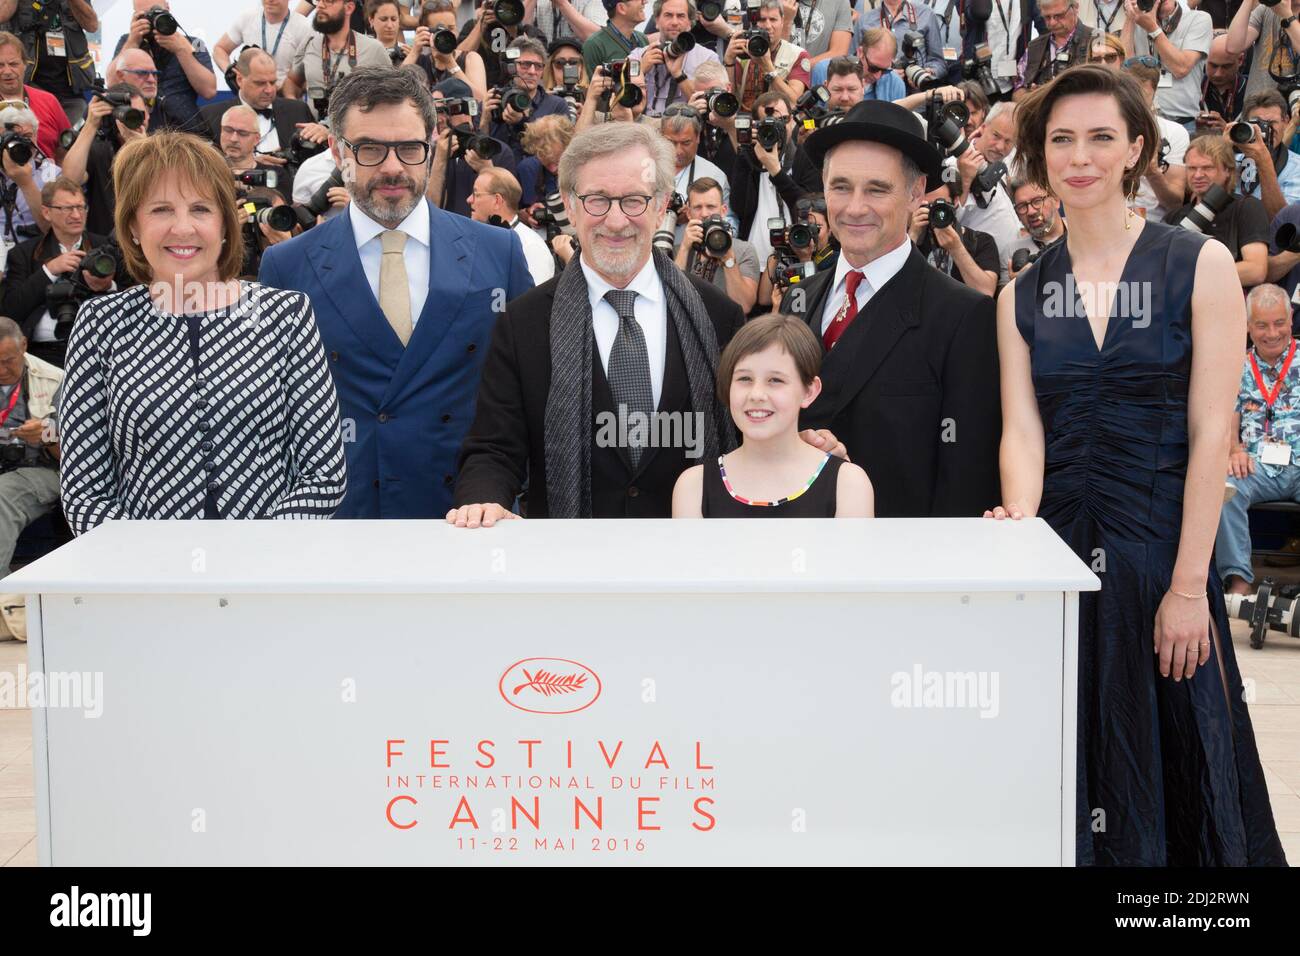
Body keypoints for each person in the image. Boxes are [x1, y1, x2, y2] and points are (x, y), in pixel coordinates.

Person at [988, 63, 1285, 866]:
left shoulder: (1199, 266)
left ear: (1137, 150)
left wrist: (1192, 586)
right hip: (1062, 564)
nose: (1079, 157)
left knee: (1178, 780)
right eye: (1060, 141)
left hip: (1163, 563)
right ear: (1039, 157)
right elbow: (1023, 433)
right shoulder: (1020, 294)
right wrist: (1021, 526)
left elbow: (1209, 433)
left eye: (1100, 139)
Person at [448, 121, 763, 526]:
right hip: (570, 567)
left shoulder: (719, 316)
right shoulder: (523, 322)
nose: (616, 222)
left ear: (663, 203)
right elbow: (494, 447)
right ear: (569, 203)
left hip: (691, 561)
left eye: (634, 200)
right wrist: (484, 500)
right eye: (597, 200)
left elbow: (747, 437)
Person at [260, 67, 532, 518]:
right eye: (369, 149)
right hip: (342, 526)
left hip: (468, 518)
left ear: (429, 147)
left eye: (408, 148)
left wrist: (506, 493)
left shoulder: (497, 251)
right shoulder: (287, 266)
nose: (391, 168)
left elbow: (523, 395)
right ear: (336, 150)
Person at [59, 131, 347, 531]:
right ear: (133, 227)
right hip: (144, 580)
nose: (183, 228)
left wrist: (254, 556)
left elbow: (323, 475)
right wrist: (151, 567)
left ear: (225, 224)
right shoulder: (100, 325)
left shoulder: (286, 316)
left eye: (200, 209)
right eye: (160, 210)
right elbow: (84, 492)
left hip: (266, 573)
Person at [779, 98, 1001, 516]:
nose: (855, 207)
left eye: (877, 189)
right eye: (841, 187)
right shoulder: (798, 299)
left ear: (917, 192)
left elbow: (967, 475)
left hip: (902, 564)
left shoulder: (962, 316)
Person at [672, 312, 872, 516]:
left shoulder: (848, 484)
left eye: (775, 380)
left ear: (809, 391)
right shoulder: (693, 487)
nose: (756, 394)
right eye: (744, 379)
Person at [1217, 283, 1300, 595]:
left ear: (1291, 319)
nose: (1272, 333)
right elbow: (1226, 419)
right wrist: (1234, 449)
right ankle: (1239, 581)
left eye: (1279, 323)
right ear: (1248, 325)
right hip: (1255, 467)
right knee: (1223, 487)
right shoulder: (1236, 365)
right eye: (1262, 325)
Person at [0, 177, 120, 368]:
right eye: (66, 208)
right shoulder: (23, 254)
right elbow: (11, 310)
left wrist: (108, 286)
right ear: (47, 212)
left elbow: (134, 296)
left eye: (81, 207)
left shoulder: (107, 248)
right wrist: (49, 270)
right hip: (42, 353)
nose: (76, 215)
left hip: (98, 349)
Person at [199, 48, 321, 184]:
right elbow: (200, 167)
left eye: (273, 82)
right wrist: (249, 165)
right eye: (260, 83)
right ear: (239, 79)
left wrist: (325, 135)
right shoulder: (210, 116)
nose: (269, 90)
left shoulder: (297, 110)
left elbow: (318, 161)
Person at [0, 315, 62, 576]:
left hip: (43, 468)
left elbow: (77, 456)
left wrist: (47, 435)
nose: (1, 370)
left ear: (24, 345)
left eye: (8, 361)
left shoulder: (56, 379)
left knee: (2, 495)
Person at [1165, 135, 1269, 290]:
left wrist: (1192, 275)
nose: (1198, 175)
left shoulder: (1246, 207)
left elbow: (1256, 270)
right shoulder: (1174, 217)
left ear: (1228, 170)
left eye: (1207, 168)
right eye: (1192, 168)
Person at [112, 0, 218, 135]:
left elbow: (209, 91)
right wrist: (133, 41)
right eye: (144, 15)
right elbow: (112, 83)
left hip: (187, 131)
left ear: (168, 9)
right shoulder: (128, 40)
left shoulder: (195, 43)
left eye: (156, 12)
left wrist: (181, 50)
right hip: (142, 129)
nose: (151, 19)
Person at [57, 83, 149, 238]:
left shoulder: (161, 147)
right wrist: (91, 125)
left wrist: (142, 148)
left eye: (139, 114)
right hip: (107, 243)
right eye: (127, 113)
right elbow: (70, 180)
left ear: (148, 115)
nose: (133, 119)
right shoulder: (99, 149)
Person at [282, 0, 393, 120]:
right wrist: (297, 109)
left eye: (328, 1)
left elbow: (390, 99)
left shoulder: (373, 49)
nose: (320, 5)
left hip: (352, 134)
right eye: (318, 1)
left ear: (349, 8)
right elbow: (292, 82)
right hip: (312, 132)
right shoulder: (309, 43)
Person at [427, 76, 516, 217]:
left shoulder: (497, 150)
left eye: (441, 111)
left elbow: (507, 211)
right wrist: (439, 160)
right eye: (433, 112)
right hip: (447, 233)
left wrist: (487, 170)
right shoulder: (431, 153)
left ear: (460, 108)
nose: (437, 119)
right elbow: (430, 210)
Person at [1122, 0, 1212, 137]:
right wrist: (1130, 17)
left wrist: (1153, 29)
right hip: (1141, 119)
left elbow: (1181, 68)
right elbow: (1124, 68)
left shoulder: (1198, 19)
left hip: (1181, 122)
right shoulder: (1139, 22)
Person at [0, 0, 97, 124]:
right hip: (30, 88)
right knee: (32, 136)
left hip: (71, 91)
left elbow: (92, 25)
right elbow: (2, 14)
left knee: (68, 139)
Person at [675, 175, 759, 312]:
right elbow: (668, 298)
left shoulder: (744, 250)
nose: (704, 213)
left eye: (711, 206)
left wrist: (728, 259)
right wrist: (684, 249)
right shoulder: (677, 250)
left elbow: (744, 306)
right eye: (697, 207)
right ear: (689, 213)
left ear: (723, 211)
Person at [486, 36, 571, 164]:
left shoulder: (557, 105)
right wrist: (484, 120)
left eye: (538, 66)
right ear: (511, 67)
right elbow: (481, 147)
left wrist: (522, 122)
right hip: (498, 175)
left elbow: (558, 152)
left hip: (537, 179)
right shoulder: (495, 100)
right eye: (525, 65)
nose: (532, 71)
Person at [627, 0, 720, 116]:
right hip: (645, 128)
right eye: (668, 15)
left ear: (689, 23)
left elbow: (709, 105)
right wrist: (641, 70)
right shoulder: (637, 56)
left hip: (686, 128)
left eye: (681, 16)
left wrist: (679, 74)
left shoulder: (707, 58)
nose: (674, 22)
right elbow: (620, 99)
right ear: (656, 21)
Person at [908, 179, 1000, 297]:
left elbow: (986, 292)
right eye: (928, 206)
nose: (935, 213)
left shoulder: (981, 240)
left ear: (956, 202)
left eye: (940, 206)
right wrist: (912, 237)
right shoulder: (911, 239)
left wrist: (956, 248)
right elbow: (892, 288)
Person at [468, 166, 556, 284]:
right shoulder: (477, 241)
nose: (469, 200)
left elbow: (533, 300)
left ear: (497, 200)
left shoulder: (530, 246)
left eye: (476, 194)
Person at [1123, 60, 1186, 223]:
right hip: (1110, 222)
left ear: (1155, 90)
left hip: (1156, 225)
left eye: (1142, 94)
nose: (1136, 101)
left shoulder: (1175, 132)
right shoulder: (1105, 129)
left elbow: (1175, 203)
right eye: (1130, 93)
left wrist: (1152, 172)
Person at [718, 0, 808, 112]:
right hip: (745, 122)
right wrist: (729, 61)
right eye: (762, 20)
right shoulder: (742, 50)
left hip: (780, 122)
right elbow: (727, 103)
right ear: (752, 23)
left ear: (782, 21)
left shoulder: (797, 55)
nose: (768, 26)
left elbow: (794, 102)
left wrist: (768, 67)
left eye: (773, 19)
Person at [0, 31, 68, 161]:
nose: (7, 71)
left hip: (48, 179)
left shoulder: (49, 101)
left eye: (13, 64)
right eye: (0, 65)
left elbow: (66, 151)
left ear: (25, 65)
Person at [213, 0, 316, 85]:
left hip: (284, 99)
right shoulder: (247, 18)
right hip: (250, 97)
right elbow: (220, 49)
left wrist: (290, 88)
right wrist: (230, 72)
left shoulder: (304, 27)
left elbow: (314, 72)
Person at [404, 0, 488, 102]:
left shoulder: (470, 58)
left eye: (451, 28)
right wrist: (414, 52)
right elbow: (393, 92)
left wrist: (450, 63)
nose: (447, 34)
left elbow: (481, 101)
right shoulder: (420, 62)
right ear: (426, 31)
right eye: (440, 30)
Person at [1234, 90, 1300, 218]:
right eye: (1257, 123)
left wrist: (1263, 162)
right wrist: (1223, 151)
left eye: (1271, 123)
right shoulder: (1233, 161)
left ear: (1286, 121)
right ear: (1245, 124)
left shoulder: (1297, 168)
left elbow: (1283, 222)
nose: (1265, 130)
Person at [0, 103, 59, 244]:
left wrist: (26, 183)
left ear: (36, 136)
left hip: (32, 257)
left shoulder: (51, 173)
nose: (22, 143)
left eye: (27, 136)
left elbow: (55, 229)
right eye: (13, 137)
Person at [1013, 0, 1094, 101]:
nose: (1052, 22)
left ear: (1075, 8)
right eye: (1047, 17)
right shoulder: (1034, 47)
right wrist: (1033, 97)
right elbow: (1018, 89)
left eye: (1059, 16)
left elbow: (1110, 87)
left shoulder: (1096, 40)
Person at [858, 0, 947, 86]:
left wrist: (928, 72)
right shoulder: (865, 21)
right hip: (880, 95)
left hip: (916, 94)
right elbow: (852, 65)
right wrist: (885, 74)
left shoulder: (926, 13)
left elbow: (939, 62)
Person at [1005, 174, 1066, 277]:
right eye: (1022, 206)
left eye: (1037, 201)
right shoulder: (1012, 253)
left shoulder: (1085, 236)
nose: (1031, 211)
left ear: (1056, 200)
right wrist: (1017, 285)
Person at [581, 0, 650, 77]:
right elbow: (595, 87)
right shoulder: (594, 44)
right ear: (621, 8)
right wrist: (640, 69)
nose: (645, 2)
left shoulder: (642, 39)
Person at [1196, 32, 1246, 137]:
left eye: (1226, 67)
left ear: (1240, 60)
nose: (1218, 74)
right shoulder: (1194, 86)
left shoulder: (1251, 89)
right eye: (1213, 65)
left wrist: (1229, 132)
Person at [533, 0, 610, 45]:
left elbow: (598, 39)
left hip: (580, 66)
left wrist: (562, 3)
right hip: (543, 67)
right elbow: (521, 30)